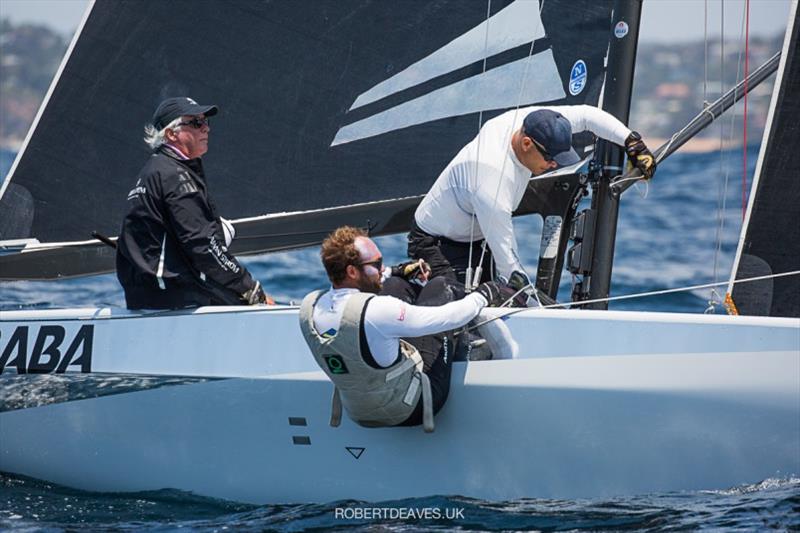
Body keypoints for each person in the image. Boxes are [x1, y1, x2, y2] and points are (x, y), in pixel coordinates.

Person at [409, 105, 656, 291]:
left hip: (477, 237)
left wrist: (632, 142)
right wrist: (536, 308)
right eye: (550, 159)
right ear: (526, 143)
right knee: (459, 316)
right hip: (436, 243)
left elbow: (587, 115)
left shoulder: (535, 121)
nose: (553, 165)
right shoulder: (491, 178)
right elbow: (510, 266)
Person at [298, 226, 514, 432]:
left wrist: (397, 271)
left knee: (394, 284)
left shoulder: (310, 307)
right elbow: (447, 318)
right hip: (411, 408)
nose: (382, 268)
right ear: (352, 271)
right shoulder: (377, 311)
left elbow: (366, 294)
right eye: (377, 263)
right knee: (441, 287)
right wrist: (484, 294)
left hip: (357, 412)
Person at [116, 96, 272, 309]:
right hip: (175, 297)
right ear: (171, 134)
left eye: (206, 122)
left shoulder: (156, 169)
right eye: (196, 123)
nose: (205, 129)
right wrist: (252, 289)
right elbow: (204, 246)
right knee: (254, 303)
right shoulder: (174, 176)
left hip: (149, 296)